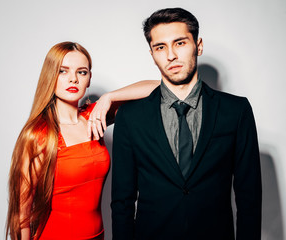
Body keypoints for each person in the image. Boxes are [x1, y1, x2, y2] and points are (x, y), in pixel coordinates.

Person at [111, 8, 262, 240]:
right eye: (160, 47)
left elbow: (249, 197)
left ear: (198, 46)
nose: (170, 55)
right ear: (152, 54)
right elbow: (122, 202)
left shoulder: (236, 111)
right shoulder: (130, 117)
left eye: (180, 43)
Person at [5, 42, 159, 240]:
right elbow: (21, 217)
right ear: (50, 75)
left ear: (89, 79)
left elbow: (157, 88)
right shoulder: (38, 135)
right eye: (63, 71)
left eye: (82, 72)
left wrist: (109, 98)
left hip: (98, 235)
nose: (73, 79)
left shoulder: (95, 117)